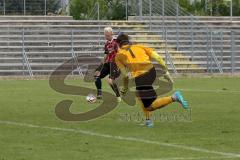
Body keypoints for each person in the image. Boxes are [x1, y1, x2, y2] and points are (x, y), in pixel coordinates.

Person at [115, 32, 188, 127]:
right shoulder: (140, 47)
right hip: (152, 71)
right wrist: (166, 72)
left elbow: (125, 75)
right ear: (129, 41)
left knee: (149, 106)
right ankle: (148, 120)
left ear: (118, 44)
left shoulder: (118, 56)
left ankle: (174, 97)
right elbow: (158, 58)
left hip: (141, 77)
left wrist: (124, 88)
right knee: (139, 96)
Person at [94, 27, 121, 102]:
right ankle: (99, 94)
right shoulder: (107, 44)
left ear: (112, 34)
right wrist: (101, 64)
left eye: (108, 35)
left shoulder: (116, 42)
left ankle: (118, 96)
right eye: (105, 35)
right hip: (108, 63)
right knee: (96, 74)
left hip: (115, 64)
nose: (106, 37)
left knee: (110, 81)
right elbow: (106, 54)